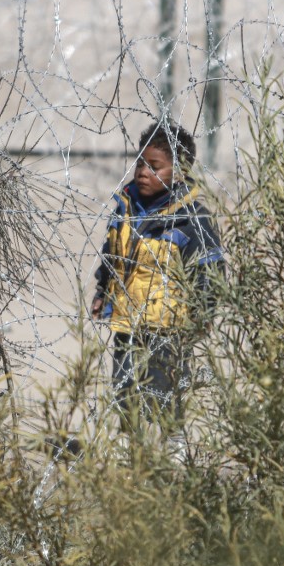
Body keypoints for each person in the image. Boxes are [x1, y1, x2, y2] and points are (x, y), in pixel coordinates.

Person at [91, 120, 224, 435]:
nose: (142, 172)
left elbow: (208, 272)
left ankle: (173, 459)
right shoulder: (126, 209)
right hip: (127, 322)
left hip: (169, 329)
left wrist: (202, 314)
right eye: (140, 163)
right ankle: (129, 460)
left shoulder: (191, 220)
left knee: (165, 401)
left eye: (155, 167)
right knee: (125, 398)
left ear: (178, 173)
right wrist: (102, 291)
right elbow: (113, 255)